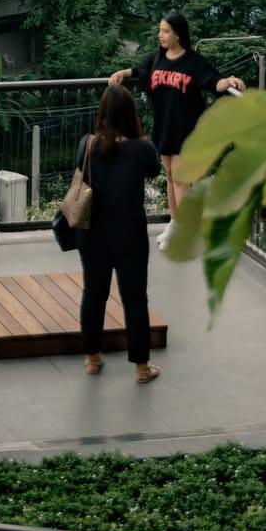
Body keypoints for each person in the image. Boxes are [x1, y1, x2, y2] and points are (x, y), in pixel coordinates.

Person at [109, 12, 244, 246]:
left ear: (178, 34)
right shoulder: (156, 58)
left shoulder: (194, 62)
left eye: (165, 31)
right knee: (171, 177)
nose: (160, 35)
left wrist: (229, 81)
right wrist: (123, 73)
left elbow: (214, 82)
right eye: (160, 30)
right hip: (164, 126)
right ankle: (175, 223)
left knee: (181, 180)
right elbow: (139, 71)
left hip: (187, 129)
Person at [75, 85, 162, 384]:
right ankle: (141, 367)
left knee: (93, 294)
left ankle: (92, 358)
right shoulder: (142, 149)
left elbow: (81, 173)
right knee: (135, 299)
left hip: (93, 235)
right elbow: (154, 171)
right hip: (130, 235)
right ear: (130, 114)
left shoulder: (88, 144)